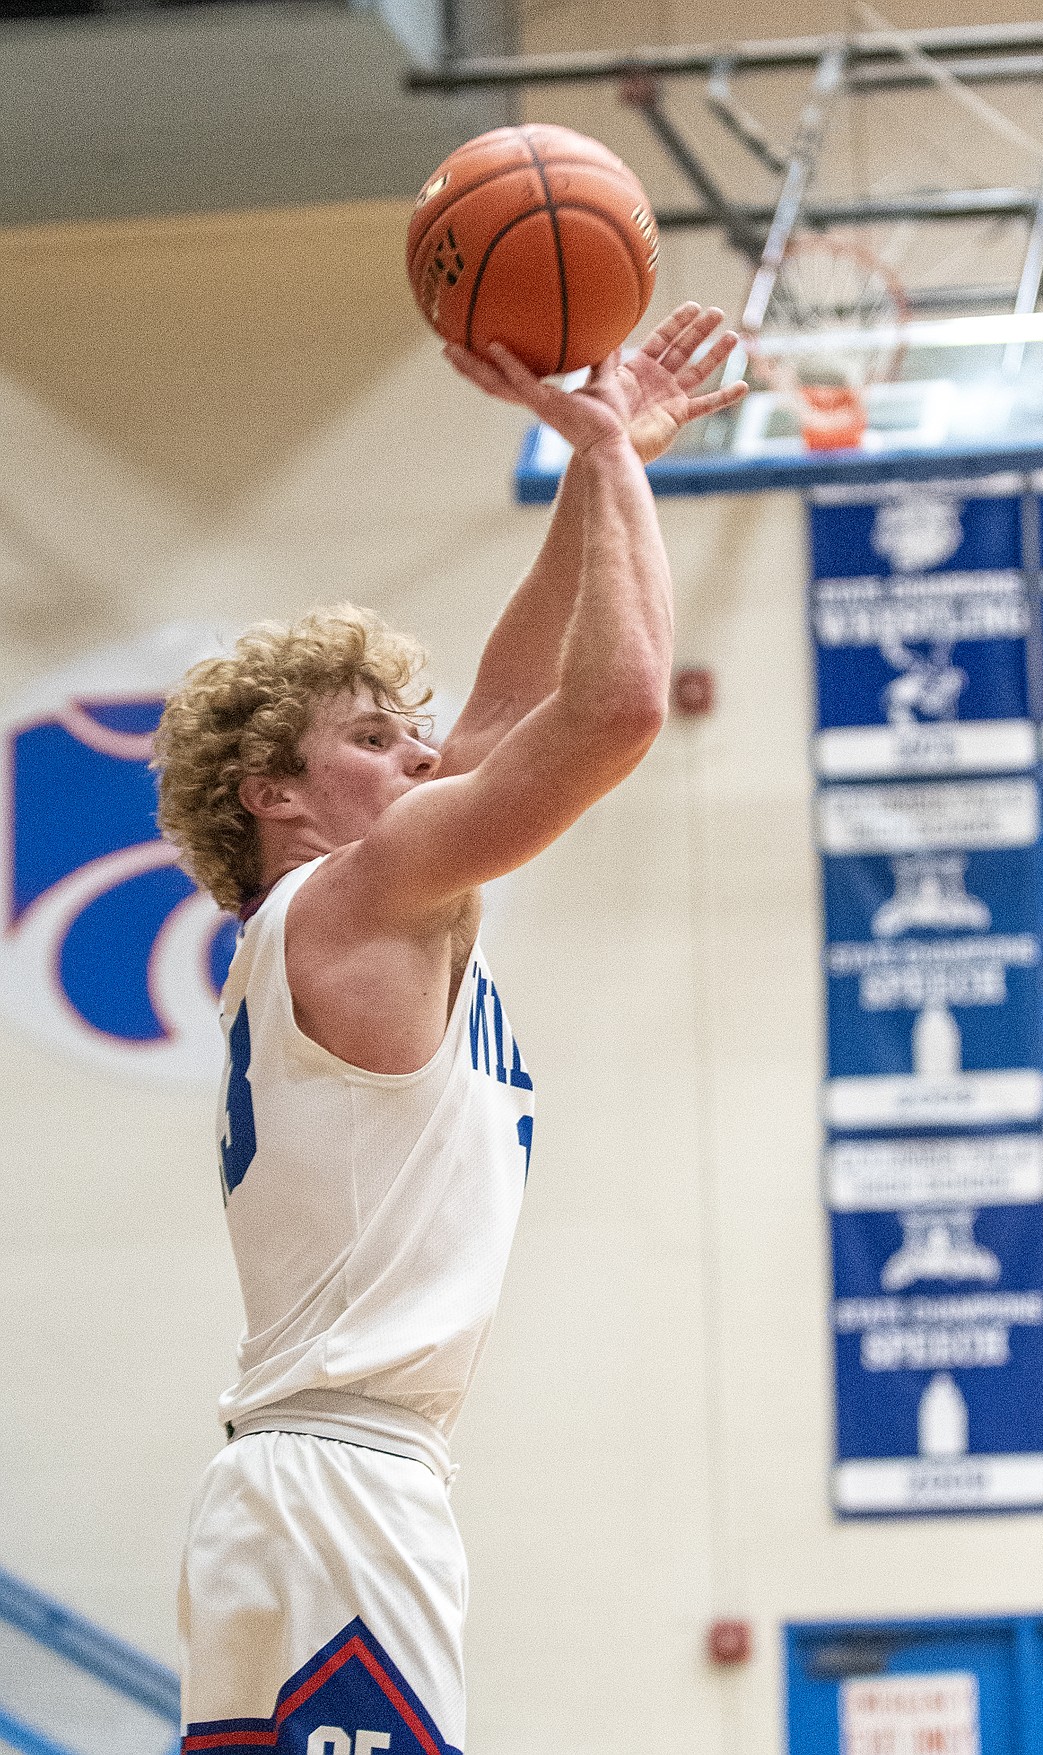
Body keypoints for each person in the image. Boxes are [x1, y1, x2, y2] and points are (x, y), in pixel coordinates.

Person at [155, 303, 747, 1755]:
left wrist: (621, 459)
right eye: (372, 740)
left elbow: (496, 708)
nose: (419, 754)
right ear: (271, 796)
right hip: (337, 1499)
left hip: (307, 1492)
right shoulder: (355, 905)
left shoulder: (358, 912)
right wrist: (597, 450)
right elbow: (607, 711)